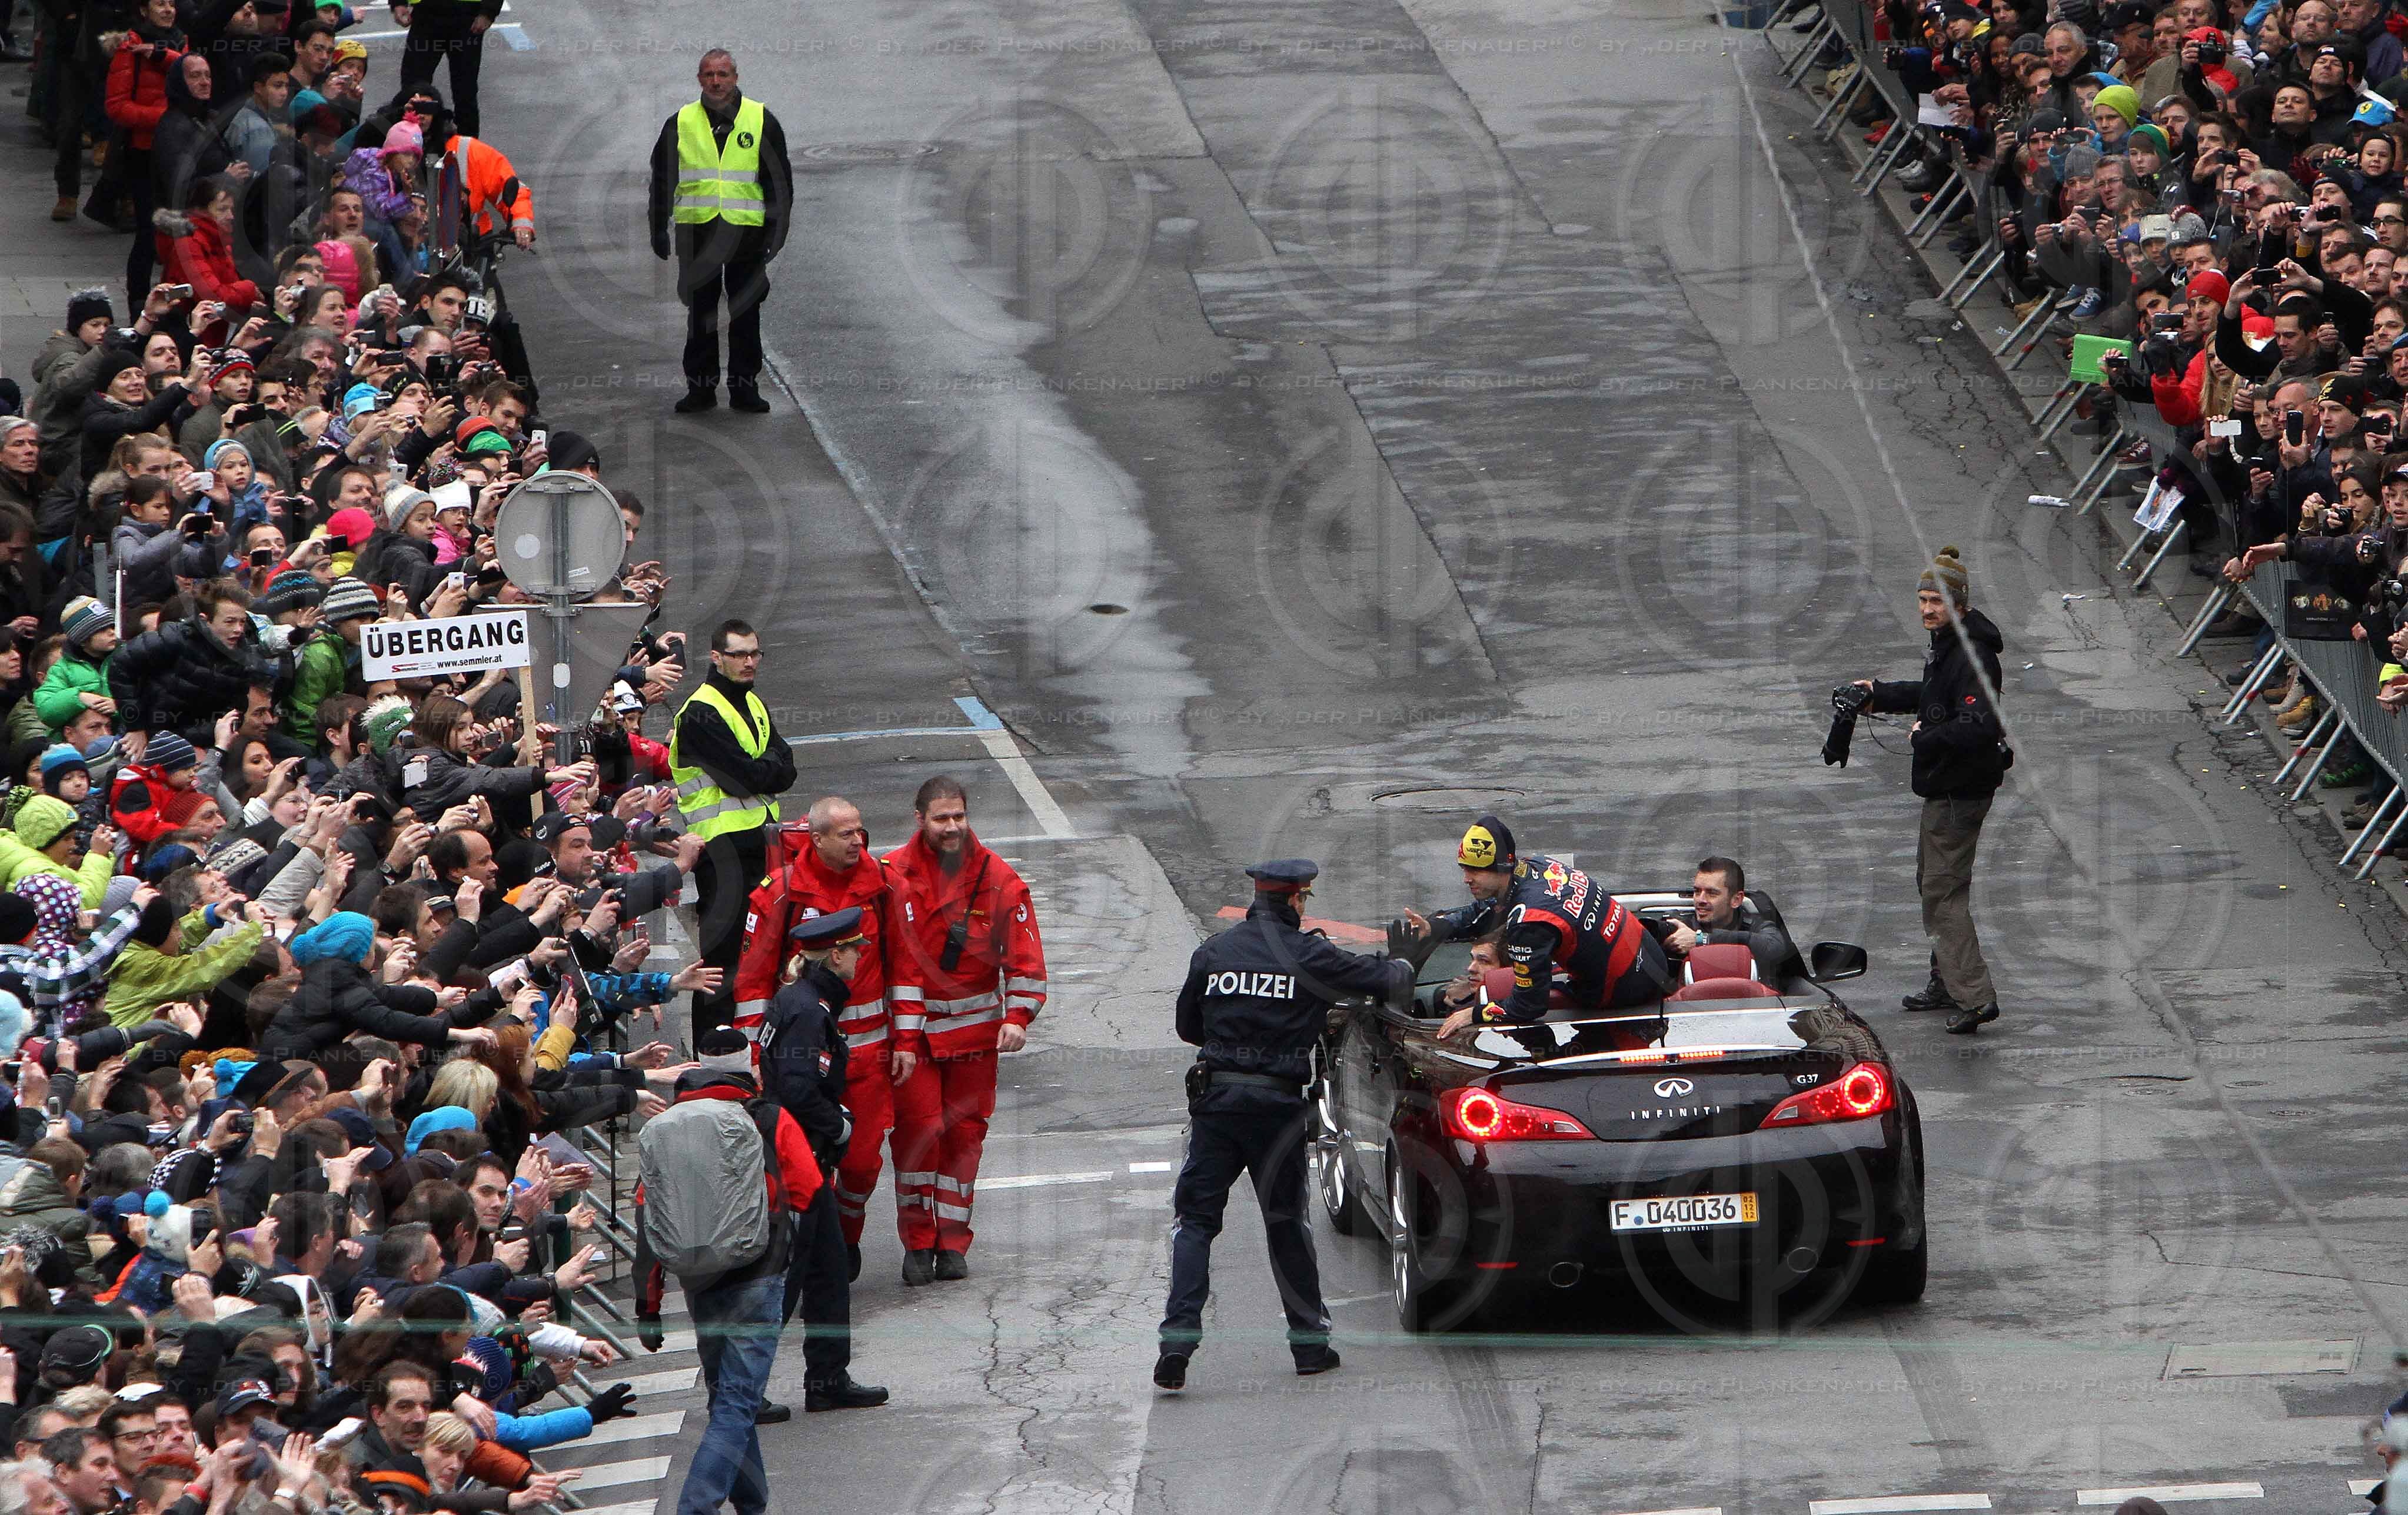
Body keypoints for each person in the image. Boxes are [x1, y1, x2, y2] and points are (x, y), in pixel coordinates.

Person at [1155, 859, 1410, 1393]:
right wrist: (1409, 959)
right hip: (1277, 1109)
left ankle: (1178, 1339)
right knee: (1286, 1222)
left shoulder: (1215, 952)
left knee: (1196, 1222)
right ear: (1296, 900)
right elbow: (1385, 980)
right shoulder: (1309, 955)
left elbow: (1188, 1026)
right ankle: (1309, 1348)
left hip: (1218, 1103)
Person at [636, 1029, 824, 1515]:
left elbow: (648, 1218)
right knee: (738, 1404)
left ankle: (752, 1501)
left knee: (729, 1399)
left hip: (699, 1281)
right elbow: (807, 1188)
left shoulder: (667, 1129)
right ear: (747, 1073)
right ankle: (695, 1508)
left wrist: (649, 1306)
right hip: (759, 1274)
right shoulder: (767, 1118)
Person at [882, 776, 1045, 1287]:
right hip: (915, 1042)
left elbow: (1026, 963)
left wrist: (1018, 1018)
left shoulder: (999, 879)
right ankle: (917, 1243)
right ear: (919, 819)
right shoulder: (889, 876)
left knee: (964, 1141)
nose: (952, 827)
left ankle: (952, 1242)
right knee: (918, 1137)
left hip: (975, 1042)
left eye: (959, 817)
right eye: (941, 818)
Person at [729, 794, 894, 1278]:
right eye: (846, 834)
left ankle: (845, 1237)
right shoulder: (780, 893)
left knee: (862, 1164)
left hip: (867, 1053)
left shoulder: (881, 884)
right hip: (800, 1057)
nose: (858, 842)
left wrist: (905, 1039)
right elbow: (754, 979)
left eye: (861, 832)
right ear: (816, 838)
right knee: (802, 1166)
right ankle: (815, 1254)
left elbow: (902, 963)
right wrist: (754, 1055)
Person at [1851, 546, 2012, 1036]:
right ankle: (1946, 982)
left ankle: (1975, 997)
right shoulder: (1949, 643)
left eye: (1937, 602)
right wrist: (1878, 693)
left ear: (1959, 606)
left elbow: (1980, 726)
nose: (1927, 609)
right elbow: (1931, 697)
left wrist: (1926, 736)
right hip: (1947, 788)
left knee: (1943, 896)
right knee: (1934, 884)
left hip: (1958, 793)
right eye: (1922, 599)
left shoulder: (1972, 655)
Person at [755, 909, 886, 1415]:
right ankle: (746, 1388)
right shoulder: (809, 1011)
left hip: (805, 1158)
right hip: (798, 1162)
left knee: (829, 1270)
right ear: (835, 955)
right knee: (785, 1280)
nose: (859, 958)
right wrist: (841, 1124)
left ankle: (828, 1378)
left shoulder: (802, 1001)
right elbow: (796, 1090)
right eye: (854, 950)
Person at [1408, 814, 1672, 1036]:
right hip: (1652, 958)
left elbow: (1528, 1007)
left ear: (1502, 867)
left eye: (1476, 871)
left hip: (1624, 991)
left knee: (1500, 991)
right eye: (1464, 869)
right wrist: (1436, 928)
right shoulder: (1542, 867)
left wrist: (1473, 1013)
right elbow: (1490, 908)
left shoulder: (1529, 923)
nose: (1466, 879)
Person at [647, 49, 793, 414]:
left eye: (723, 74)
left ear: (735, 77)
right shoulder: (680, 122)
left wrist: (777, 229)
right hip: (698, 232)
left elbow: (779, 182)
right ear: (699, 79)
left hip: (747, 234)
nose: (716, 81)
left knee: (746, 313)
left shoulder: (761, 120)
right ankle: (701, 390)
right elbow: (663, 179)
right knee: (701, 314)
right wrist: (658, 226)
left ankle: (745, 389)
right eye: (710, 74)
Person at [670, 619, 792, 1032]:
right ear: (716, 657)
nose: (749, 662)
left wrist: (766, 769)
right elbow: (744, 779)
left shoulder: (752, 702)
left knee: (764, 950)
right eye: (739, 654)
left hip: (760, 845)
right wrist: (766, 770)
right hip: (721, 854)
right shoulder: (702, 713)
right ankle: (713, 1050)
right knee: (722, 962)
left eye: (755, 653)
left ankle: (753, 1040)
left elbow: (786, 767)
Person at [1662, 856, 1797, 978]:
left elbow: (1776, 947)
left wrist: (1702, 940)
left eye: (1712, 893)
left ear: (1736, 900)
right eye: (1697, 891)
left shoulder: (1756, 926)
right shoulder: (1680, 927)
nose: (1700, 900)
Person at [390, 0, 501, 137]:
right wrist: (398, 3)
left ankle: (467, 153)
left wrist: (489, 11)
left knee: (465, 94)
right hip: (425, 16)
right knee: (412, 91)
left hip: (467, 19)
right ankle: (409, 148)